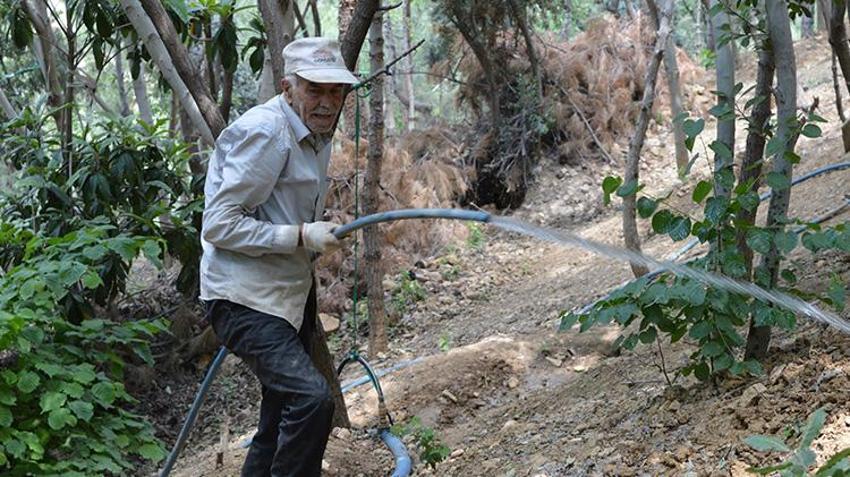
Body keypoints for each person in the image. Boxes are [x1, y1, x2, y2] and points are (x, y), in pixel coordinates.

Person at [199, 37, 358, 477]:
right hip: (243, 298)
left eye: (335, 91)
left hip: (286, 294)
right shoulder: (268, 133)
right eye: (314, 90)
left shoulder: (315, 130)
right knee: (311, 399)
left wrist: (306, 232)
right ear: (288, 87)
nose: (327, 102)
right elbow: (218, 224)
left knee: (279, 417)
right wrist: (302, 234)